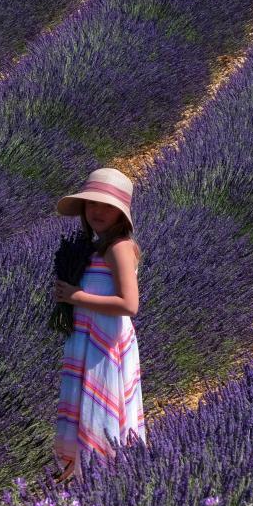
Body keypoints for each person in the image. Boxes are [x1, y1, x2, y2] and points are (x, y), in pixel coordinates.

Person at [52, 167, 145, 481]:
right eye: (92, 204)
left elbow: (129, 305)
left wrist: (77, 297)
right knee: (86, 412)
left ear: (121, 214)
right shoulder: (96, 248)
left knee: (100, 417)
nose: (98, 211)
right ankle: (83, 480)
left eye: (107, 206)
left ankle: (101, 480)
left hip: (104, 346)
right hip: (88, 342)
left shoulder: (119, 248)